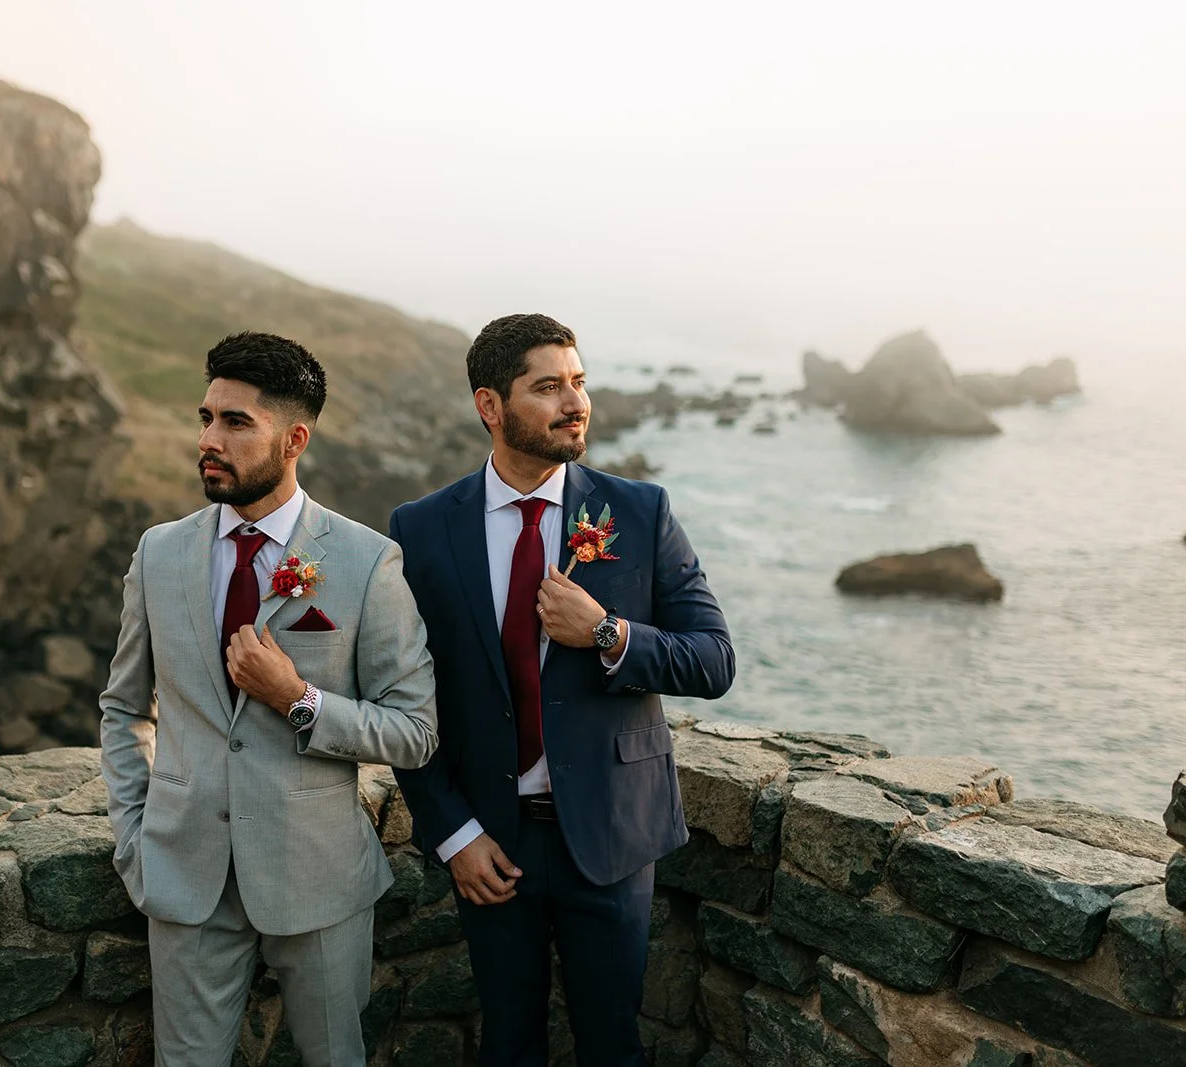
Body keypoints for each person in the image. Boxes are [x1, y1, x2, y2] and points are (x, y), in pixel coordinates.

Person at [389, 313, 734, 1066]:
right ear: (490, 405)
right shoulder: (421, 529)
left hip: (613, 836)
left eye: (579, 382)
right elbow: (405, 702)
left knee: (613, 1047)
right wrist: (453, 834)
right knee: (508, 1044)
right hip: (489, 842)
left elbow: (713, 660)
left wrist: (608, 632)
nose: (575, 402)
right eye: (548, 387)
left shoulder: (640, 513)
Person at [100, 331, 438, 1067]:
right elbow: (125, 708)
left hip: (319, 880)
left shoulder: (365, 561)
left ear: (294, 440)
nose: (208, 440)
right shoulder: (159, 552)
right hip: (184, 876)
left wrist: (299, 698)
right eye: (205, 418)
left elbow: (414, 730)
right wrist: (134, 839)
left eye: (235, 422)